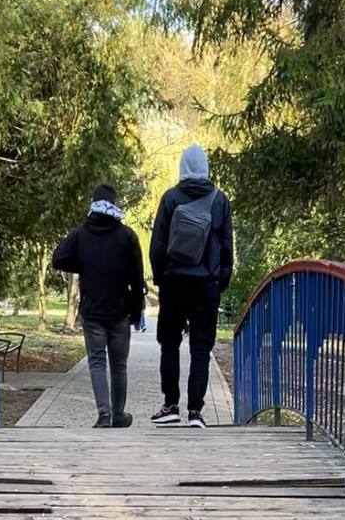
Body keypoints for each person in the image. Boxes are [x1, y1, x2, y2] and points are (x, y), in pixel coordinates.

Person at [149, 144, 233, 428]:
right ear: (206, 168)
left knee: (169, 344)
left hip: (174, 283)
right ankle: (195, 412)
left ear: (182, 167)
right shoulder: (220, 200)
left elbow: (157, 245)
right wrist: (220, 281)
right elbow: (227, 248)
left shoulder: (170, 198)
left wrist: (161, 278)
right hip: (206, 285)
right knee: (201, 349)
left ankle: (170, 405)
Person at [52, 184, 145, 428]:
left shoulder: (81, 234)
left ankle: (103, 413)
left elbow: (58, 258)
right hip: (119, 311)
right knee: (118, 364)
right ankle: (119, 415)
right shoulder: (127, 236)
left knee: (96, 362)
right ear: (114, 205)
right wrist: (137, 312)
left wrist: (84, 263)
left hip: (92, 311)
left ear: (93, 204)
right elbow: (137, 279)